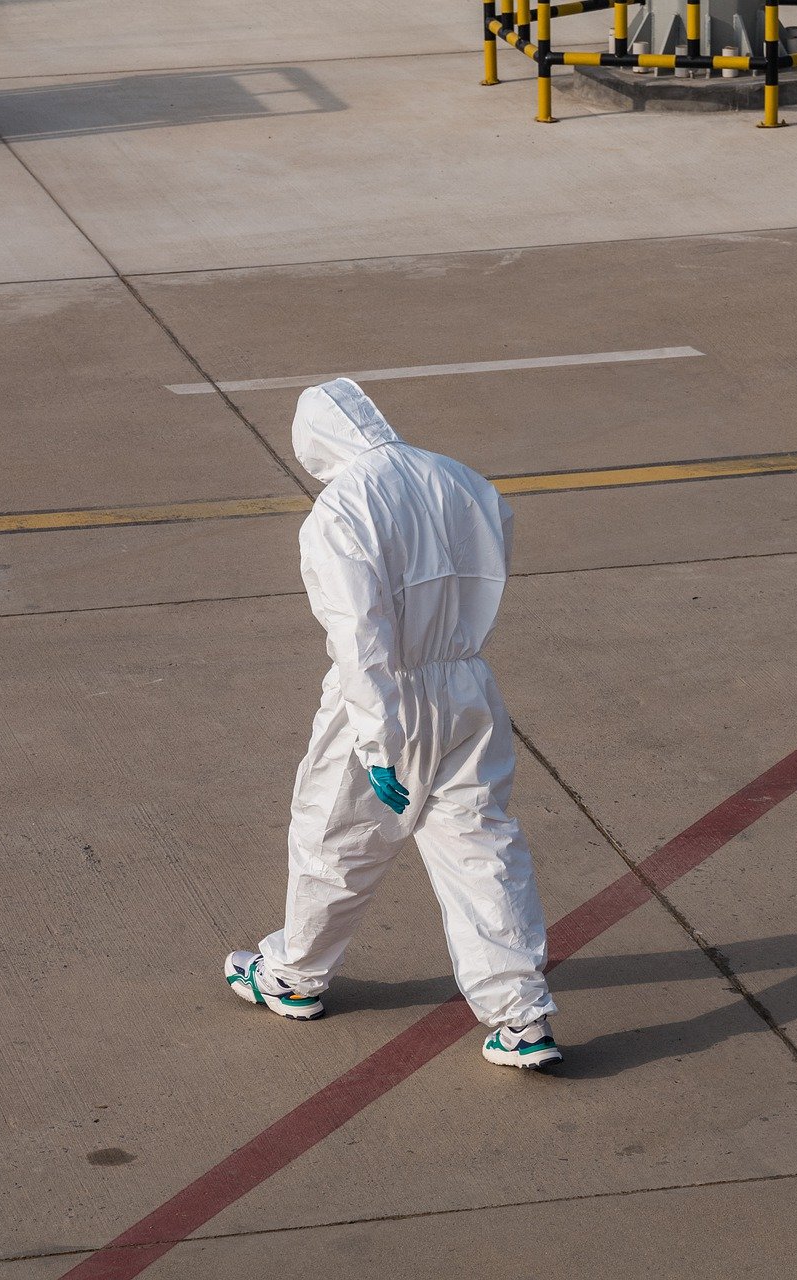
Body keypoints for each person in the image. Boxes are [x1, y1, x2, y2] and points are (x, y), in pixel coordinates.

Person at [223, 378, 561, 1069]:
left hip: (384, 701)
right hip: (467, 685)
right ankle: (522, 1016)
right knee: (481, 848)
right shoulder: (460, 479)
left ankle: (295, 974)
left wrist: (379, 741)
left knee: (336, 838)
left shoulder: (340, 510)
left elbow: (359, 638)